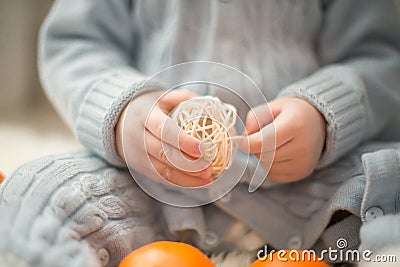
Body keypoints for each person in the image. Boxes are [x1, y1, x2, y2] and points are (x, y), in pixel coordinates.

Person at [0, 0, 400, 266]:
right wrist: (123, 110)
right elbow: (76, 46)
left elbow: (381, 56)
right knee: (45, 191)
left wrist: (325, 114)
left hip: (314, 185)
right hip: (150, 186)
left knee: (389, 178)